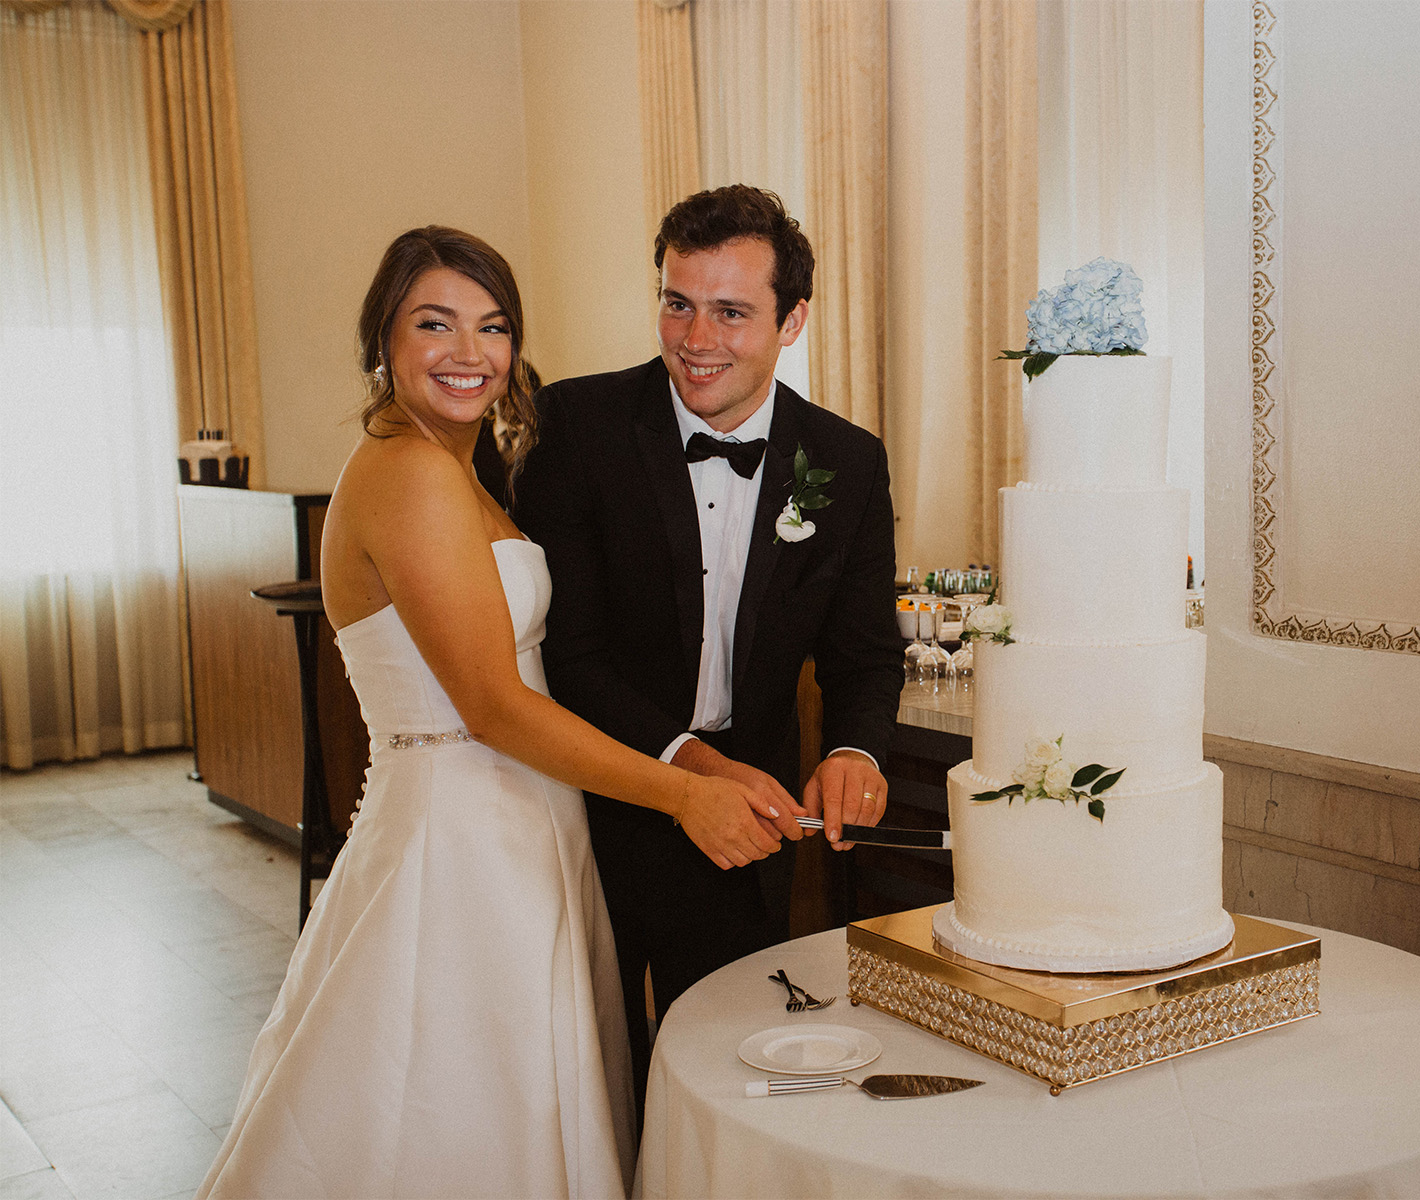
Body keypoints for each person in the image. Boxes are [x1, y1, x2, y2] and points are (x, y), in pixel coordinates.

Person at [197, 226, 797, 1198]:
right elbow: (492, 706)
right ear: (381, 339)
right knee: (451, 1106)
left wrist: (699, 763)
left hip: (520, 822)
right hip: (459, 838)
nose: (467, 352)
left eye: (493, 326)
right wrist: (679, 796)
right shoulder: (408, 477)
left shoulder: (457, 468)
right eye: (434, 324)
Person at [513, 185, 905, 1097]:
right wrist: (693, 767)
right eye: (677, 302)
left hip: (746, 823)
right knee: (587, 1074)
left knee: (729, 1068)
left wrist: (855, 747)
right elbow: (568, 653)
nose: (696, 339)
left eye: (731, 312)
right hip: (593, 794)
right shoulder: (578, 427)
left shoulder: (848, 461)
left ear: (791, 320)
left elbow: (864, 652)